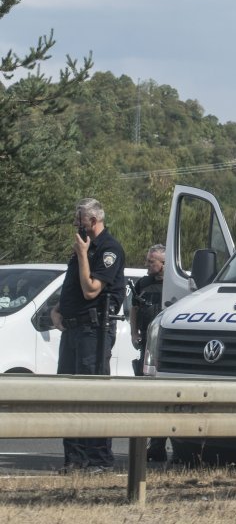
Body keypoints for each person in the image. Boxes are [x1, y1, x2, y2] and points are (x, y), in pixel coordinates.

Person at [50, 198, 126, 475]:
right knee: (69, 395)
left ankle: (98, 460)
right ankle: (75, 459)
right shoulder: (82, 248)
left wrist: (83, 255)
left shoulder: (108, 249)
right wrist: (57, 310)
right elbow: (72, 286)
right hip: (72, 330)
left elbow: (91, 290)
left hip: (94, 332)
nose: (76, 224)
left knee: (91, 395)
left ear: (93, 221)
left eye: (79, 219)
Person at [130, 243, 169, 462]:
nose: (147, 264)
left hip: (164, 347)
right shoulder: (142, 284)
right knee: (146, 395)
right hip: (146, 344)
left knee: (164, 395)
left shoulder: (176, 284)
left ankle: (161, 443)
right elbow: (134, 308)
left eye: (151, 261)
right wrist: (134, 333)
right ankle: (153, 445)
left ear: (163, 263)